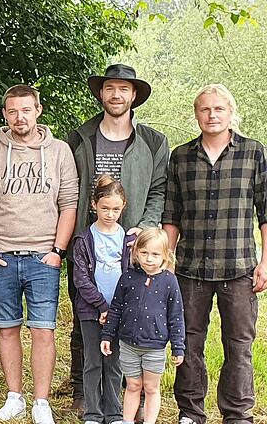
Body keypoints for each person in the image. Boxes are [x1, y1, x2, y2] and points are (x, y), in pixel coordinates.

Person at [65, 64, 169, 416]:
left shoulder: (153, 141)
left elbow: (158, 190)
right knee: (86, 315)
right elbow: (68, 188)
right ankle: (83, 390)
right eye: (110, 88)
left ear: (134, 95)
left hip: (131, 247)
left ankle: (127, 395)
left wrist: (144, 227)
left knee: (131, 317)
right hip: (88, 242)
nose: (116, 94)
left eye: (123, 89)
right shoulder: (80, 138)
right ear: (101, 93)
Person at [0, 84, 78, 423]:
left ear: (38, 111)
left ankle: (41, 402)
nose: (20, 117)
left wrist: (57, 251)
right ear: (5, 114)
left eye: (26, 110)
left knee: (43, 329)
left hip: (42, 256)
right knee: (7, 328)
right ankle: (14, 396)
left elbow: (69, 205)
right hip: (1, 254)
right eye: (13, 111)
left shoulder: (60, 151)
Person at [163, 84, 267, 424]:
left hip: (238, 268)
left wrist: (266, 261)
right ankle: (190, 412)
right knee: (188, 343)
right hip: (190, 268)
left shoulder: (253, 153)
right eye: (205, 109)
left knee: (238, 346)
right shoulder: (180, 156)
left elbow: (265, 213)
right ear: (196, 114)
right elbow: (171, 214)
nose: (212, 115)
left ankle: (237, 414)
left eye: (219, 109)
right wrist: (165, 258)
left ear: (230, 112)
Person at [100, 228, 185, 424]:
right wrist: (107, 336)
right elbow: (116, 309)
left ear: (165, 255)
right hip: (128, 345)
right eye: (144, 252)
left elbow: (176, 316)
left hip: (155, 346)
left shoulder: (169, 281)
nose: (149, 259)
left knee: (151, 387)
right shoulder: (128, 277)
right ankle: (127, 420)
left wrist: (178, 346)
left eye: (155, 254)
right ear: (136, 252)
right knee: (132, 385)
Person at [71, 174, 134, 424]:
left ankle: (115, 413)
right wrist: (101, 306)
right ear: (94, 205)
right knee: (93, 362)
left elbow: (132, 278)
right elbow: (81, 280)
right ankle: (93, 414)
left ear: (123, 208)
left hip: (119, 313)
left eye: (116, 209)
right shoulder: (84, 240)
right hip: (91, 311)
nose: (110, 213)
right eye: (105, 208)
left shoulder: (128, 239)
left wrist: (116, 310)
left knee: (114, 363)